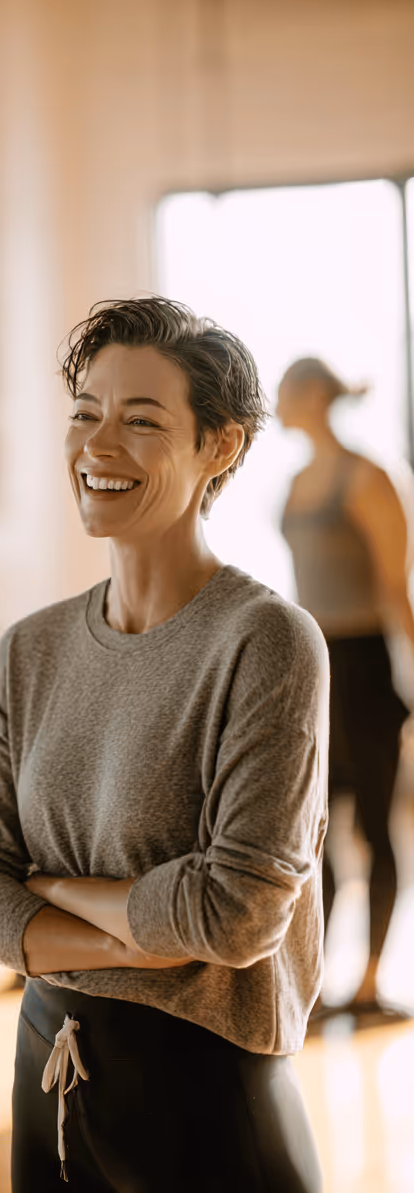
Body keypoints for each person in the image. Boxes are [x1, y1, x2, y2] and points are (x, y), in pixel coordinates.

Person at [0, 298, 327, 1193]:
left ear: (219, 448)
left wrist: (47, 891)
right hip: (47, 1068)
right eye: (86, 413)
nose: (98, 445)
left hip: (209, 1091)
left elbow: (235, 917)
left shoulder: (266, 641)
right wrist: (134, 941)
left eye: (141, 420)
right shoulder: (28, 650)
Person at [278, 356, 411, 1017]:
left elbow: (395, 589)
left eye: (283, 390)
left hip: (361, 666)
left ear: (311, 396)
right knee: (314, 832)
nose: (275, 400)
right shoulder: (299, 479)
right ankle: (319, 981)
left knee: (376, 828)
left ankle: (372, 981)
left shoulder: (367, 477)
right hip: (312, 668)